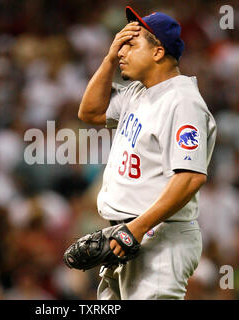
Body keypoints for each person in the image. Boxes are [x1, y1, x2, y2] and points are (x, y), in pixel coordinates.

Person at [78, 6, 217, 300]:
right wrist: (109, 59)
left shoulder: (182, 102)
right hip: (127, 235)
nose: (122, 50)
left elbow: (190, 178)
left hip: (158, 236)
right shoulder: (138, 92)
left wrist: (136, 229)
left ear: (157, 53)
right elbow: (89, 111)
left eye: (132, 44)